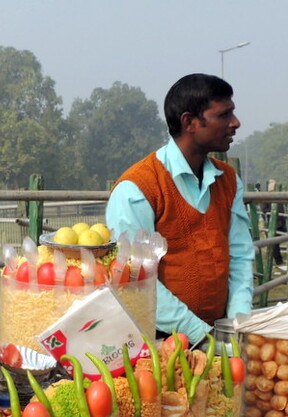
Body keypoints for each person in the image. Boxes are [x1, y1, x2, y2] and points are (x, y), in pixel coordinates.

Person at [106, 73, 254, 345]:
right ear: (190, 122)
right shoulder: (137, 188)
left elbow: (241, 257)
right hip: (158, 343)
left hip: (219, 337)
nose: (235, 123)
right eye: (224, 115)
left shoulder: (229, 180)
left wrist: (236, 326)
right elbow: (137, 280)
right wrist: (203, 337)